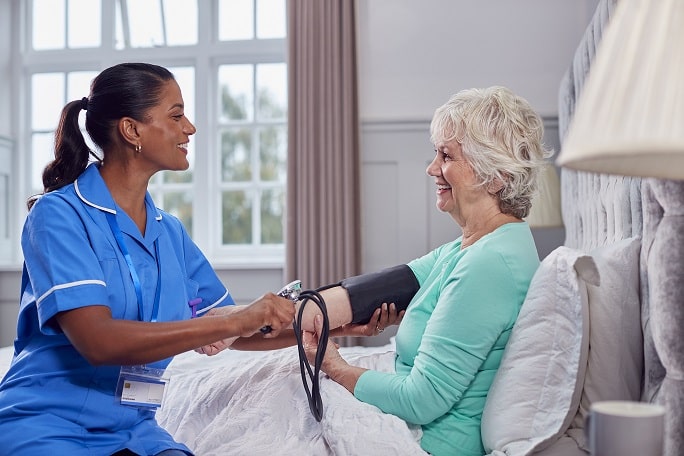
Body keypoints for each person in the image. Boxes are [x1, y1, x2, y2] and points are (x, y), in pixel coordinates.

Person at [0, 62, 298, 456]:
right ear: (132, 130)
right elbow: (98, 341)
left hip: (134, 429)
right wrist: (237, 320)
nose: (189, 128)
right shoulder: (57, 216)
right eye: (176, 115)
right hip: (47, 423)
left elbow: (230, 330)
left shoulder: (168, 231)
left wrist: (333, 324)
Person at [296, 86, 549, 456]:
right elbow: (375, 291)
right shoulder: (472, 247)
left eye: (446, 156)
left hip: (429, 443)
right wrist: (288, 313)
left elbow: (422, 399)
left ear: (496, 177)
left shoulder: (489, 264)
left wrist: (336, 366)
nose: (432, 169)